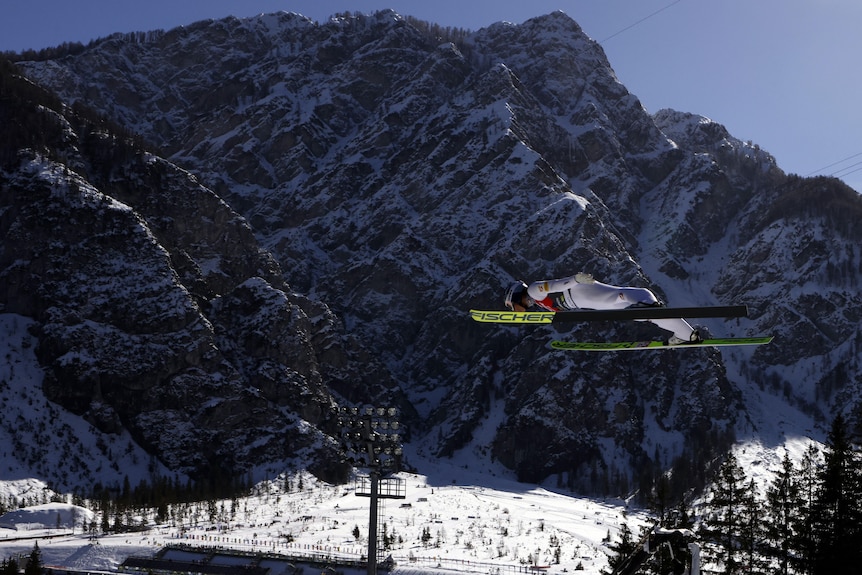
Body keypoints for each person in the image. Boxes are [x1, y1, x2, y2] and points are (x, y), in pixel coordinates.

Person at [504, 273, 702, 345]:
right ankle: (688, 334)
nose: (519, 312)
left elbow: (555, 285)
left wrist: (574, 279)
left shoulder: (533, 290)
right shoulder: (539, 302)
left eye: (515, 308)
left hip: (625, 300)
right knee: (652, 317)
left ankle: (687, 334)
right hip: (627, 300)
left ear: (516, 296)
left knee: (649, 316)